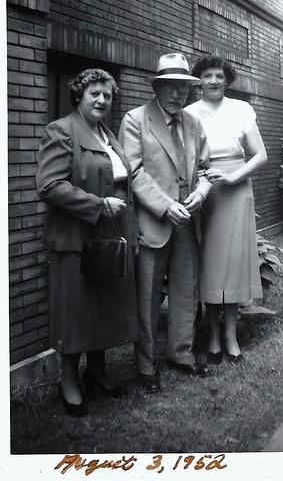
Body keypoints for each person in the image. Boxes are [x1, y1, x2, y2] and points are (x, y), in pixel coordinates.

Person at [36, 69, 138, 416]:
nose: (101, 100)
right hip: (76, 242)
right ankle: (68, 380)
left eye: (107, 95)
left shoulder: (107, 135)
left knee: (102, 308)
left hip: (109, 239)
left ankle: (96, 372)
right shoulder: (62, 131)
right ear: (78, 95)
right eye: (94, 93)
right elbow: (49, 185)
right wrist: (97, 205)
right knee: (75, 314)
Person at [119, 52, 212, 393]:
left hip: (188, 220)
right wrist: (164, 206)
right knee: (146, 296)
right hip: (154, 222)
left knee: (186, 290)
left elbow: (205, 169)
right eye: (170, 87)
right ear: (157, 87)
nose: (177, 95)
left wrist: (201, 192)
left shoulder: (194, 123)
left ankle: (182, 355)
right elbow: (133, 171)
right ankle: (145, 367)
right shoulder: (134, 120)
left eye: (183, 88)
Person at [185, 55, 267, 364]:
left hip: (236, 189)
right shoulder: (189, 113)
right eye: (207, 75)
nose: (214, 81)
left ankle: (231, 335)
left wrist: (234, 176)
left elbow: (260, 155)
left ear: (227, 80)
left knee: (232, 264)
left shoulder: (241, 109)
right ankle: (214, 336)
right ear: (199, 81)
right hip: (204, 192)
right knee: (210, 264)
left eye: (219, 75)